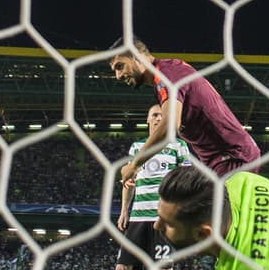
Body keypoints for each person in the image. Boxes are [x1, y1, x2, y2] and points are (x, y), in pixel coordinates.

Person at [98, 104, 192, 270]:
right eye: (154, 115)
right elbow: (128, 180)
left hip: (163, 220)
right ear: (148, 120)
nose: (158, 118)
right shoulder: (138, 147)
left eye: (162, 115)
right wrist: (123, 211)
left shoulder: (178, 147)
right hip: (138, 218)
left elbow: (188, 181)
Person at [110, 38, 260, 180]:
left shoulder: (166, 75)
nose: (117, 76)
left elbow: (169, 127)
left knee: (200, 206)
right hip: (222, 160)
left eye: (120, 66)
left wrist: (135, 164)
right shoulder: (167, 72)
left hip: (232, 158)